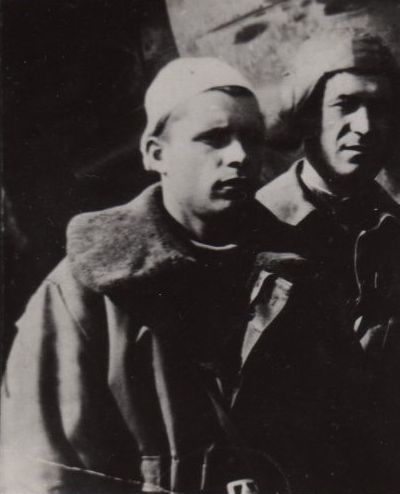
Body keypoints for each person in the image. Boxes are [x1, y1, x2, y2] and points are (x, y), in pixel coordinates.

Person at [0, 57, 297, 494]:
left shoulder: (297, 271)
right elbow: (45, 471)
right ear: (156, 154)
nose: (239, 156)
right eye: (213, 138)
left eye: (251, 138)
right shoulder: (83, 291)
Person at [255, 32, 400, 493]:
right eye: (345, 105)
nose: (364, 126)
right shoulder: (249, 234)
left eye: (379, 109)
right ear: (307, 115)